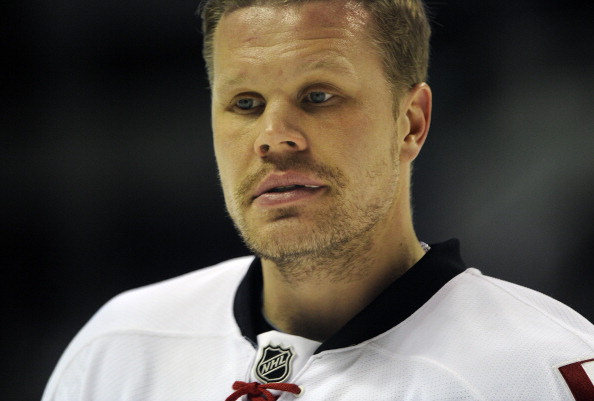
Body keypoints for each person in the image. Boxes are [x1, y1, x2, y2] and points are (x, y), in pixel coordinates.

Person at [42, 0, 594, 400]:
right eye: (245, 103)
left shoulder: (538, 372)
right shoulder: (119, 348)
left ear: (411, 123)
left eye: (318, 96)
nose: (273, 137)